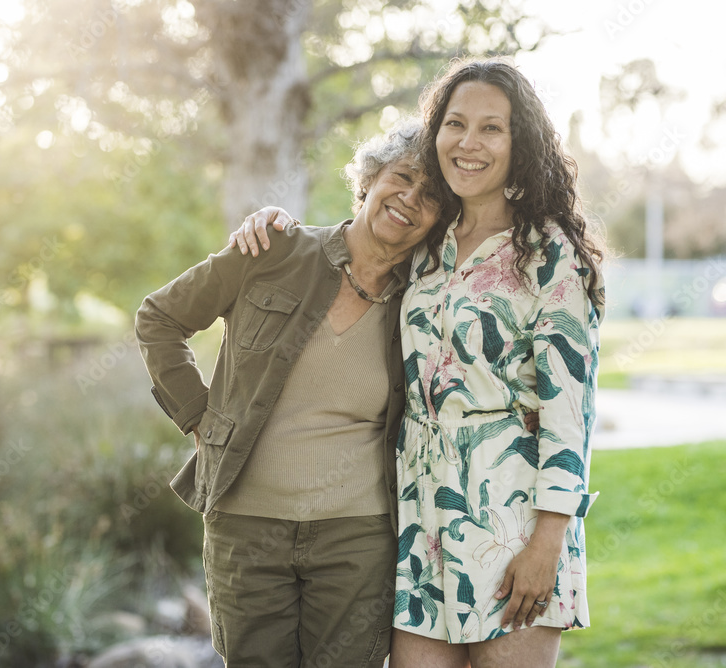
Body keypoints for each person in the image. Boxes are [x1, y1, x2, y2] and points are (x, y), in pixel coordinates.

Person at [230, 58, 605, 668]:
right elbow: (353, 250)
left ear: (522, 143)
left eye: (492, 128)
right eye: (455, 123)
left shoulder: (549, 255)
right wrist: (275, 227)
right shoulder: (427, 247)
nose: (469, 142)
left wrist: (549, 545)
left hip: (513, 523)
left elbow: (571, 414)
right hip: (420, 524)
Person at [135, 120, 442, 667]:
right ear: (370, 179)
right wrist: (199, 417)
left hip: (358, 537)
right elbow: (159, 318)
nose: (409, 200)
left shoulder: (427, 298)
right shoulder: (274, 248)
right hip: (246, 529)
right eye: (402, 178)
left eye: (432, 196)